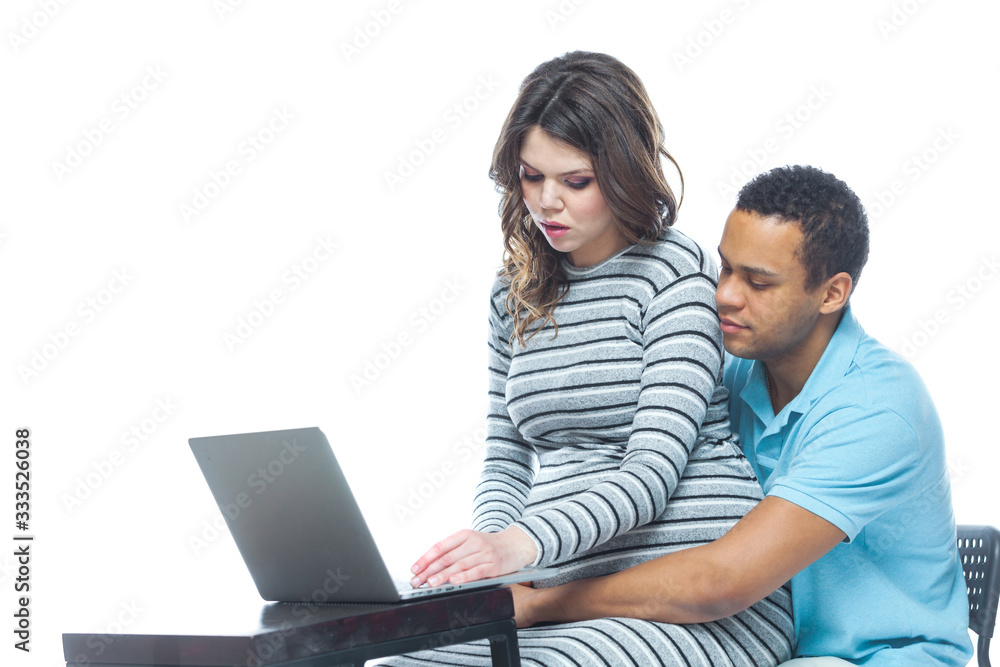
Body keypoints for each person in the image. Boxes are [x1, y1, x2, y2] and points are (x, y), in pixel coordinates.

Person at [383, 51, 794, 666]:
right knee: (403, 664)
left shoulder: (673, 272)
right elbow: (506, 458)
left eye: (575, 181)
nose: (547, 202)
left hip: (694, 599)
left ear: (624, 173)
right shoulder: (512, 293)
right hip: (563, 589)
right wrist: (487, 553)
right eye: (530, 176)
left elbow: (650, 474)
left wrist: (521, 544)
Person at [505, 165, 974, 666]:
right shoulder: (729, 373)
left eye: (758, 282)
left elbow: (721, 580)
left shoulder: (877, 407)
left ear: (832, 294)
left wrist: (542, 603)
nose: (725, 294)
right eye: (726, 268)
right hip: (763, 646)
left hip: (877, 657)